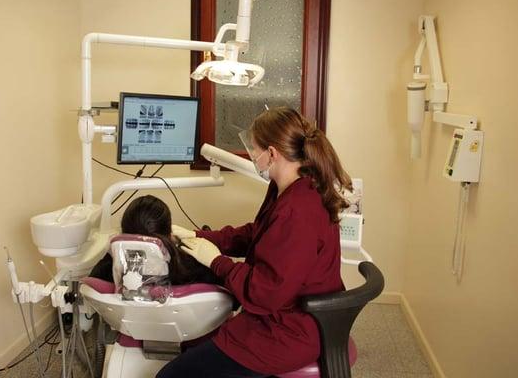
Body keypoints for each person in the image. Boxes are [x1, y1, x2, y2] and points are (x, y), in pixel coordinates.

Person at [156, 106, 352, 378]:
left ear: (272, 153)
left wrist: (216, 261)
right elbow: (256, 233)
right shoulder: (294, 187)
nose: (252, 155)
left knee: (170, 376)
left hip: (289, 330)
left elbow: (264, 292)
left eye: (255, 149)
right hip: (286, 314)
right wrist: (198, 237)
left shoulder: (298, 210)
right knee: (191, 345)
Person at [89, 195, 220, 286]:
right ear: (170, 232)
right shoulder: (195, 267)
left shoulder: (109, 267)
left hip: (129, 325)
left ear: (124, 232)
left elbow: (92, 286)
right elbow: (232, 300)